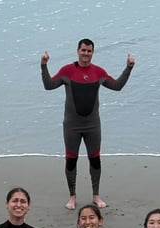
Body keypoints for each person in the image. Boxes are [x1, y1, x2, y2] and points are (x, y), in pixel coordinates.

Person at [41, 38, 135, 210]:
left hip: (92, 125)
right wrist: (44, 65)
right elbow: (49, 85)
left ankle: (96, 195)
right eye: (83, 50)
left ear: (93, 52)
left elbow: (117, 86)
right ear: (78, 51)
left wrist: (128, 68)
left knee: (95, 160)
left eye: (89, 51)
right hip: (72, 125)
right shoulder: (67, 71)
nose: (86, 53)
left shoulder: (98, 72)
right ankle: (72, 196)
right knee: (71, 160)